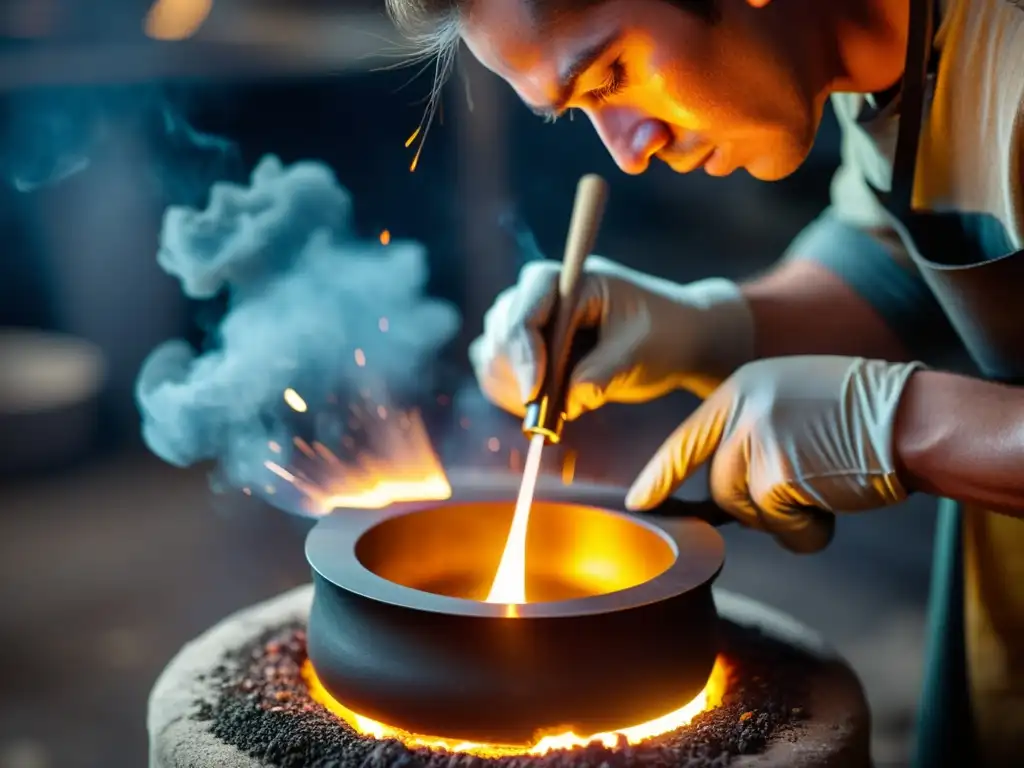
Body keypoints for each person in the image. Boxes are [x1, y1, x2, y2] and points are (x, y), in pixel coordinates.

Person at [384, 0, 1024, 765]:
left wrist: (902, 426)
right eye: (580, 111)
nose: (627, 150)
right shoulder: (883, 58)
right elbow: (908, 256)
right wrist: (706, 327)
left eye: (611, 74)